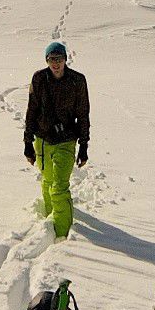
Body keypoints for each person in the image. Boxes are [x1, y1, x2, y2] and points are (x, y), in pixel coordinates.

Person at [22, 40, 89, 239]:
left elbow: (83, 114)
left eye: (59, 59)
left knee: (59, 187)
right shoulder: (39, 79)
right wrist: (27, 143)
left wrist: (84, 145)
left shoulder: (77, 81)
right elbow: (31, 110)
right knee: (48, 181)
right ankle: (49, 219)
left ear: (65, 59)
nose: (56, 63)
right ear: (47, 61)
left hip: (66, 140)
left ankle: (61, 234)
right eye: (52, 59)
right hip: (42, 140)